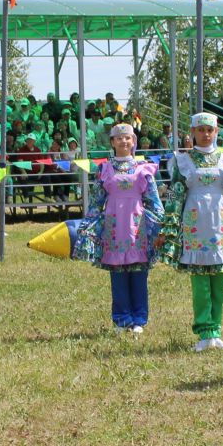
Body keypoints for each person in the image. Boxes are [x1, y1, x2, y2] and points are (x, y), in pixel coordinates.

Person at [156, 112, 223, 351]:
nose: (205, 135)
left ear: (216, 132)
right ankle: (204, 331)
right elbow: (175, 195)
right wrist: (168, 227)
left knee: (218, 277)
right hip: (194, 222)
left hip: (220, 223)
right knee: (200, 279)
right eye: (201, 130)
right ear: (193, 133)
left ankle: (216, 330)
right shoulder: (183, 161)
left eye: (210, 130)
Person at [73, 122, 164, 333]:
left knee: (139, 273)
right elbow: (96, 202)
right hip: (114, 227)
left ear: (134, 141)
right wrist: (88, 225)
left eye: (128, 137)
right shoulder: (104, 169)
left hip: (137, 226)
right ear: (112, 142)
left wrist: (160, 226)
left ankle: (139, 320)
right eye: (119, 138)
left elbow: (154, 201)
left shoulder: (144, 169)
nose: (124, 141)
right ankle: (122, 320)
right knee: (118, 274)